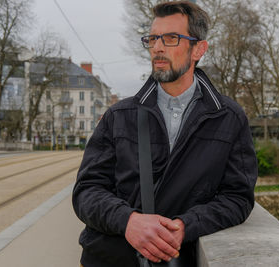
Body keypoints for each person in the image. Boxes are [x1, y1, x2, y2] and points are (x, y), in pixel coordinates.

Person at [72, 1, 258, 266]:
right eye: (153, 38)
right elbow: (86, 191)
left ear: (199, 49)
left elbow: (238, 197)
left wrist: (186, 226)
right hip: (109, 258)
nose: (157, 47)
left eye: (171, 38)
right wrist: (128, 221)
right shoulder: (118, 116)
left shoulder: (228, 118)